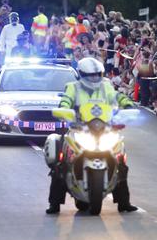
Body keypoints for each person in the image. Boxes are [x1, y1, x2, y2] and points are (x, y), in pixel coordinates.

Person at [46, 57, 137, 214]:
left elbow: (117, 97)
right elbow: (66, 102)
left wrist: (127, 105)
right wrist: (64, 110)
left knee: (120, 161)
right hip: (79, 128)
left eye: (97, 74)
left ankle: (124, 202)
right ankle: (54, 203)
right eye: (90, 75)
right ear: (81, 74)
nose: (94, 78)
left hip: (103, 128)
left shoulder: (106, 86)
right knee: (60, 164)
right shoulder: (72, 87)